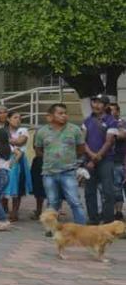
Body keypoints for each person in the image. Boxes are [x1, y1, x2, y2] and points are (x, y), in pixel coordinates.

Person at [34, 103, 86, 225]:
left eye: (65, 113)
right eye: (60, 113)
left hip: (68, 172)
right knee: (52, 202)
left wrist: (69, 160)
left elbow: (81, 149)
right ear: (51, 116)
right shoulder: (42, 131)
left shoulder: (74, 130)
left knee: (74, 201)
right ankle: (51, 228)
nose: (64, 116)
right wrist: (51, 158)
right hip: (49, 173)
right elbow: (38, 150)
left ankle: (81, 228)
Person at [82, 94, 118, 224]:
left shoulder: (111, 121)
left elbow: (109, 142)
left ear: (106, 106)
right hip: (89, 159)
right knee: (89, 191)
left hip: (106, 160)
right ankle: (93, 219)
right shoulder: (87, 121)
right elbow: (83, 140)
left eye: (99, 103)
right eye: (94, 102)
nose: (96, 105)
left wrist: (96, 157)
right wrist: (91, 155)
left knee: (108, 191)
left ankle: (108, 221)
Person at [1, 110, 32, 222]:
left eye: (19, 117)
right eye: (15, 117)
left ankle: (15, 211)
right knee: (3, 183)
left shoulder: (23, 130)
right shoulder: (3, 130)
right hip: (4, 158)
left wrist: (5, 140)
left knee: (18, 186)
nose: (18, 119)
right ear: (8, 119)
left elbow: (20, 142)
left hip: (19, 160)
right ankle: (3, 207)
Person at [111, 102, 126, 220]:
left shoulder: (121, 122)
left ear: (117, 112)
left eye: (112, 110)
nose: (109, 112)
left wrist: (109, 132)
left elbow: (122, 135)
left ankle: (119, 212)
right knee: (108, 188)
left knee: (118, 186)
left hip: (119, 161)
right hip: (107, 160)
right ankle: (116, 213)